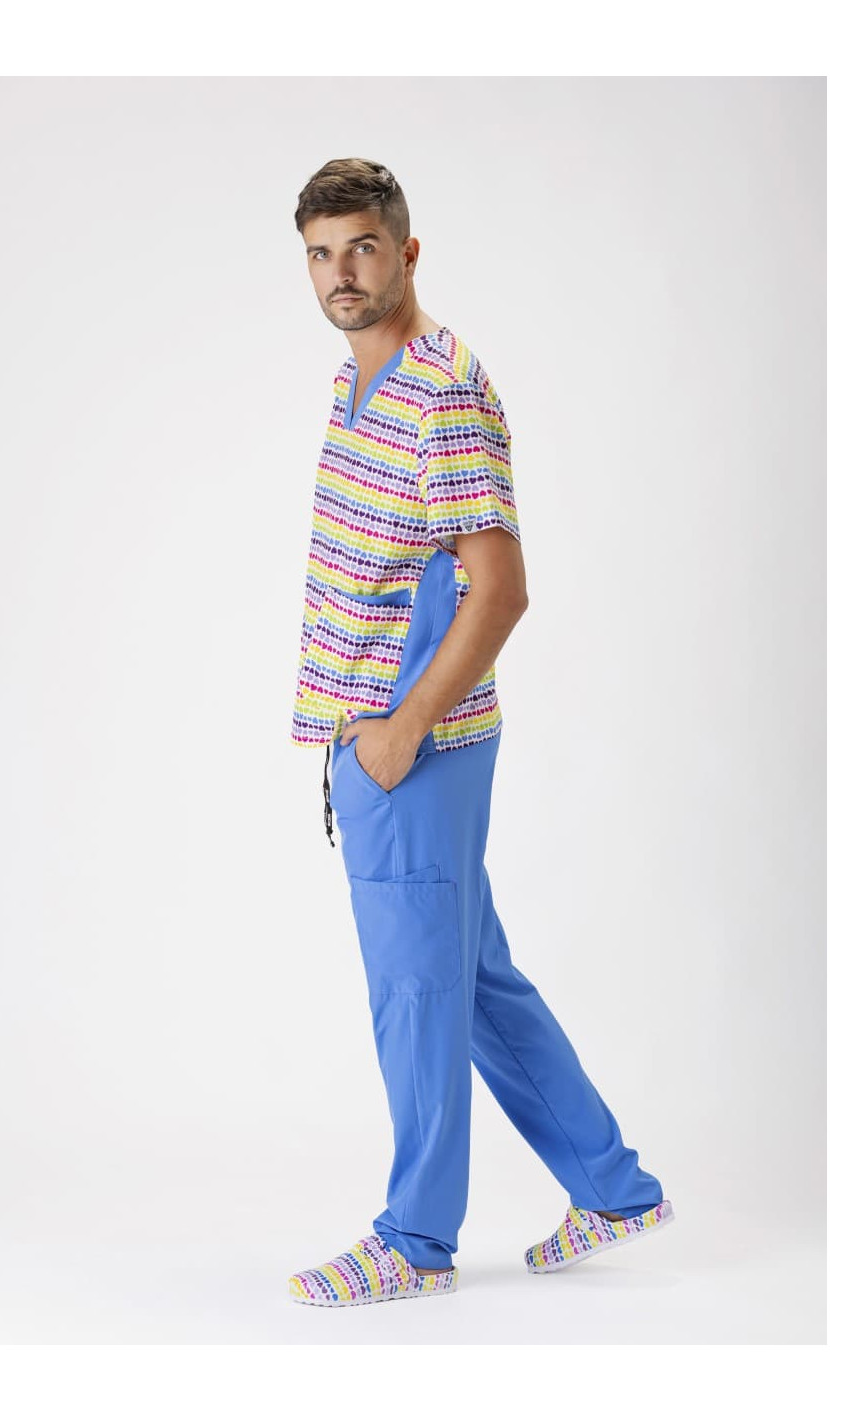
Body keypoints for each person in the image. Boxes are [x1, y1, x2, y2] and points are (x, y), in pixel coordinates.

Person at [286, 158, 673, 1308]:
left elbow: (500, 590)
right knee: (474, 981)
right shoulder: (356, 381)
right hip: (380, 741)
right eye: (319, 254)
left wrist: (397, 734)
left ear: (406, 251)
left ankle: (413, 1241)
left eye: (361, 247)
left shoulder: (439, 392)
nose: (340, 274)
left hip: (413, 749)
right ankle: (611, 1187)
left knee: (415, 996)